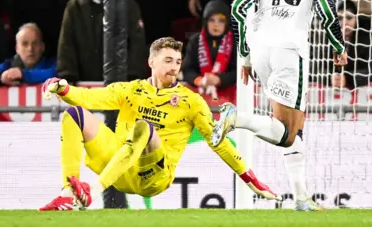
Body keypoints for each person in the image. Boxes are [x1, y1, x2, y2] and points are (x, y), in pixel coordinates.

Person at [38, 37, 279, 211]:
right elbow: (89, 98)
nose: (175, 67)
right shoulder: (131, 89)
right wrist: (62, 87)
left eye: (178, 61)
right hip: (119, 167)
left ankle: (93, 190)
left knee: (144, 127)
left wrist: (250, 179)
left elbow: (218, 140)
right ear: (151, 62)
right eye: (168, 60)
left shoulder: (191, 101)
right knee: (74, 115)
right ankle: (68, 195)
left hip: (153, 176)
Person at [211, 0, 348, 211]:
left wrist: (245, 57)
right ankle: (237, 119)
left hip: (261, 50)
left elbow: (237, 8)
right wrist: (339, 46)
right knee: (287, 133)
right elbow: (326, 7)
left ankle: (301, 199)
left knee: (294, 129)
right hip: (290, 51)